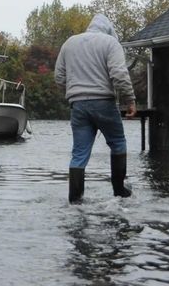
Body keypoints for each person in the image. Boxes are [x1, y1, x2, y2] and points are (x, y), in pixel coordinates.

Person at [55, 14, 136, 203]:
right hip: (104, 103)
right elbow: (119, 73)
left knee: (79, 153)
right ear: (109, 29)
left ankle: (75, 199)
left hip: (78, 106)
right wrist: (130, 99)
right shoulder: (110, 43)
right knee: (117, 142)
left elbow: (59, 77)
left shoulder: (69, 43)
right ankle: (119, 192)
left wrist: (74, 92)